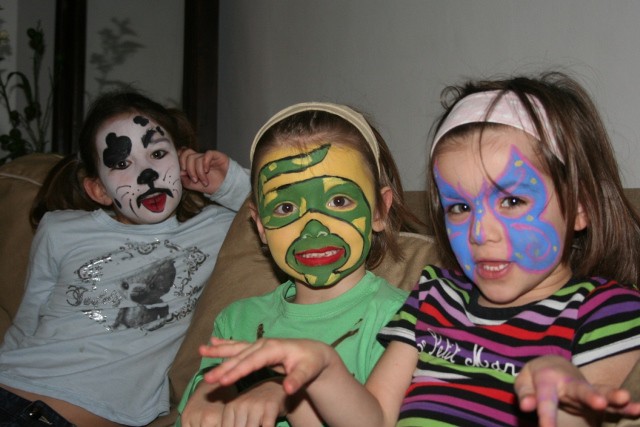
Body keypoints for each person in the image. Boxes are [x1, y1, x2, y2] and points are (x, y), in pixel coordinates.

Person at [199, 72, 640, 427]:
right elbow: (373, 418)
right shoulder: (435, 296)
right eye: (460, 207)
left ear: (580, 206)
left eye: (511, 200)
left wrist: (564, 397)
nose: (480, 232)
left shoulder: (607, 312)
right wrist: (322, 366)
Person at [0, 91, 251, 426]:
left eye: (158, 153)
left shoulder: (214, 229)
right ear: (98, 190)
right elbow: (27, 323)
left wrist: (227, 182)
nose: (146, 173)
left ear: (180, 160)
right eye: (121, 164)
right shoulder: (59, 229)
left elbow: (286, 208)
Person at [177, 102, 421, 426]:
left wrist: (286, 393)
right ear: (260, 224)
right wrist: (210, 399)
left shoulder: (403, 321)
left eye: (339, 201)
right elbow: (201, 405)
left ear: (379, 210)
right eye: (285, 207)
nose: (313, 228)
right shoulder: (236, 323)